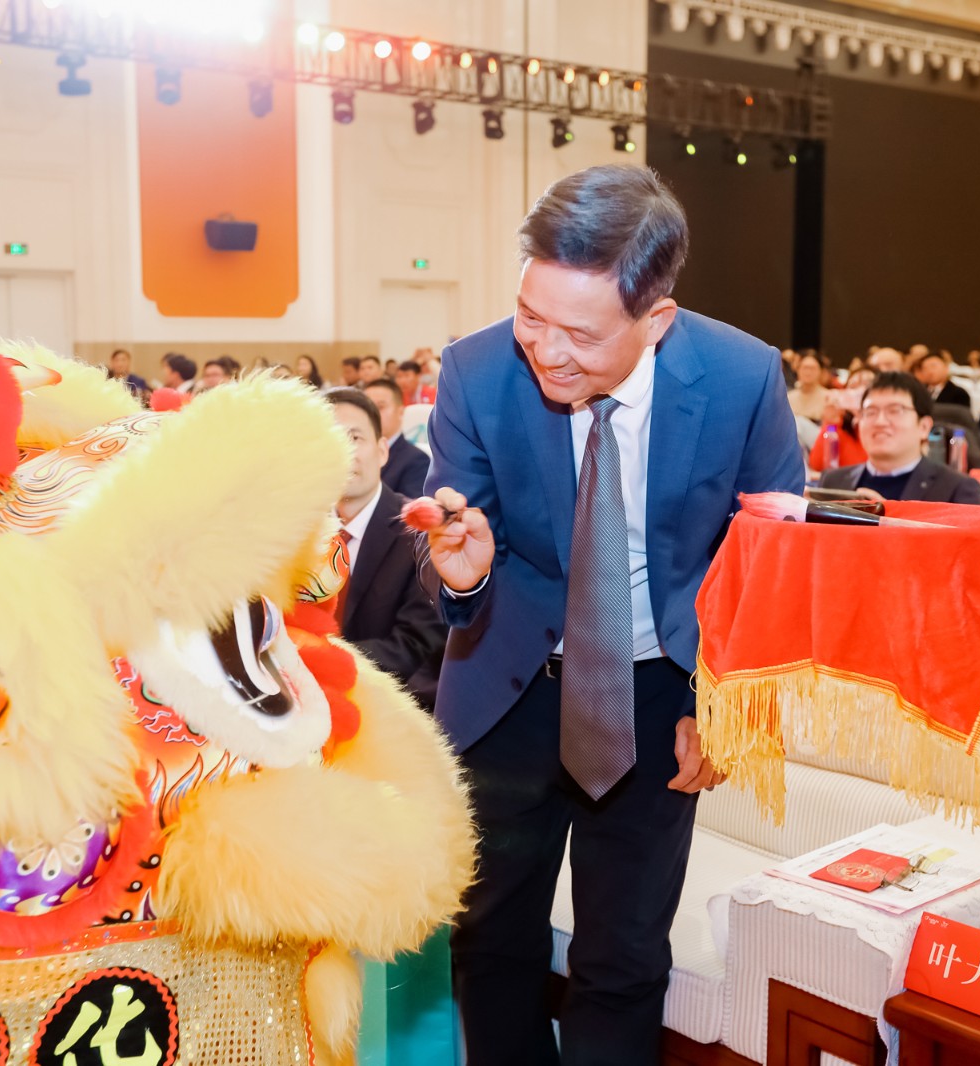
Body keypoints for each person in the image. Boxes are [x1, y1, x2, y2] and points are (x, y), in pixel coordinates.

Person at [420, 165, 803, 1065]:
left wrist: (723, 708)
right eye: (531, 317)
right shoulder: (477, 369)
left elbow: (768, 562)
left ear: (656, 319)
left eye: (581, 335)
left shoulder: (742, 377)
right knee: (489, 939)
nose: (547, 352)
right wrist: (464, 574)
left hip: (658, 699)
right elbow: (456, 543)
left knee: (623, 957)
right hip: (509, 692)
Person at [324, 388, 446, 708]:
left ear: (381, 451)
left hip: (390, 704)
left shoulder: (420, 533)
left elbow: (416, 645)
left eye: (354, 438)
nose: (342, 452)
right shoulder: (303, 533)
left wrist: (320, 660)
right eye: (329, 440)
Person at [817, 372, 980, 504]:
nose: (880, 422)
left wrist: (889, 516)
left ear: (924, 427)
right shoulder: (833, 481)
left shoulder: (956, 488)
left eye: (895, 411)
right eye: (871, 412)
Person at [361, 377, 429, 499]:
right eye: (366, 407)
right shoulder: (355, 454)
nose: (372, 413)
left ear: (400, 412)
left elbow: (411, 508)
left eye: (380, 407)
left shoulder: (416, 460)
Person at [787, 350, 831, 422]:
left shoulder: (829, 397)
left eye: (812, 368)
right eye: (805, 368)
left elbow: (832, 426)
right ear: (797, 370)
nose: (808, 372)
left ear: (821, 371)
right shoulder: (788, 397)